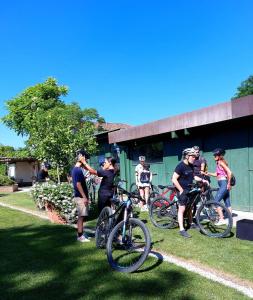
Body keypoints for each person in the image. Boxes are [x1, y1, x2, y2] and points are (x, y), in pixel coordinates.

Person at [172, 148, 209, 238]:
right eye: (193, 156)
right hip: (182, 190)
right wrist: (181, 190)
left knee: (190, 206)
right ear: (187, 156)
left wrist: (203, 180)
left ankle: (190, 222)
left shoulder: (191, 166)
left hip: (189, 189)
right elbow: (173, 179)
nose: (194, 158)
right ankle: (181, 229)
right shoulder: (180, 166)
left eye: (195, 157)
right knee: (182, 209)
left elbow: (194, 177)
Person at [205, 148, 233, 225]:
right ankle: (230, 220)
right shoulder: (219, 163)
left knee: (216, 201)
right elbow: (217, 174)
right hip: (223, 183)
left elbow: (229, 172)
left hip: (224, 183)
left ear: (220, 156)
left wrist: (229, 184)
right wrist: (208, 173)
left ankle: (221, 219)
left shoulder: (221, 162)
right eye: (214, 155)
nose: (214, 156)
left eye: (216, 155)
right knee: (227, 202)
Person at [71, 150, 90, 243]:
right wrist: (84, 197)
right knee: (81, 216)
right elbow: (78, 185)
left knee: (81, 216)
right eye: (86, 158)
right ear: (82, 157)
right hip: (80, 197)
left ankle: (81, 233)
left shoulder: (76, 169)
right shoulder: (77, 170)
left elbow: (78, 182)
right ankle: (80, 236)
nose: (86, 161)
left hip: (80, 196)